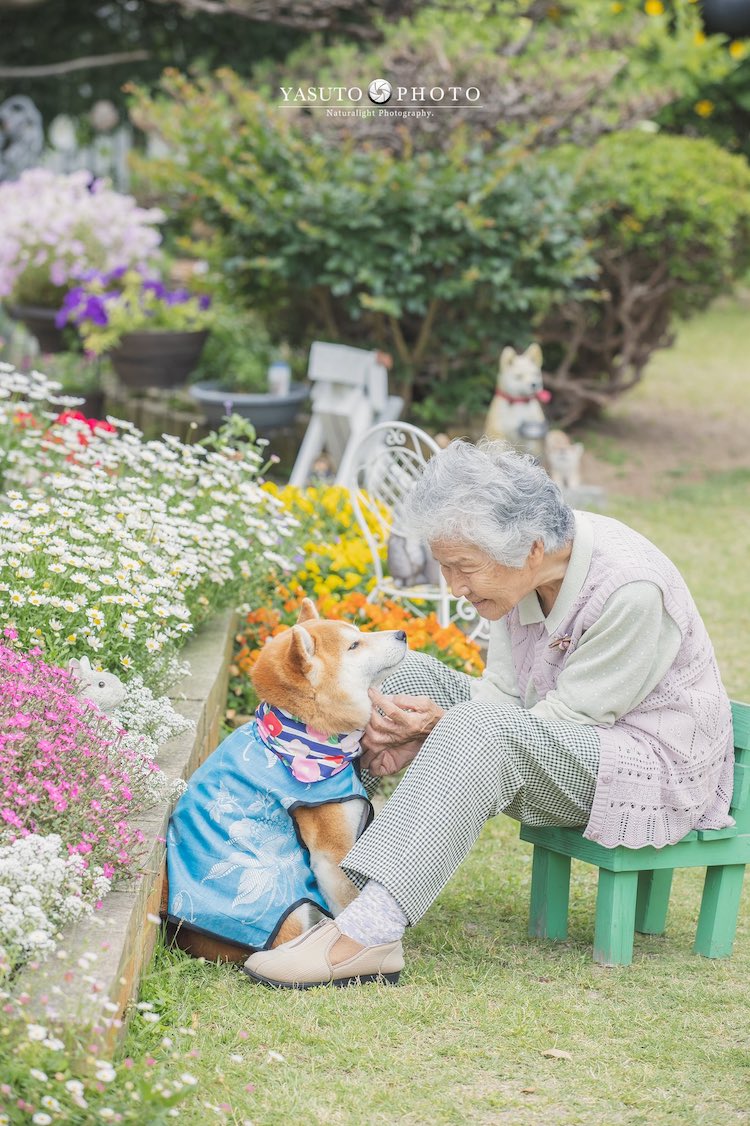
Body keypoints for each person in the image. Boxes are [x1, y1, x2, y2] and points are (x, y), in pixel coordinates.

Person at [244, 439, 734, 989]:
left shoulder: (632, 588)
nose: (454, 588)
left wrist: (435, 731)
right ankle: (291, 859)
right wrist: (420, 726)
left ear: (528, 549)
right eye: (447, 567)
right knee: (384, 678)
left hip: (641, 767)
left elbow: (562, 723)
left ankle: (366, 935)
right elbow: (502, 692)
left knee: (476, 730)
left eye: (464, 569)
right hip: (546, 726)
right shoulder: (526, 567)